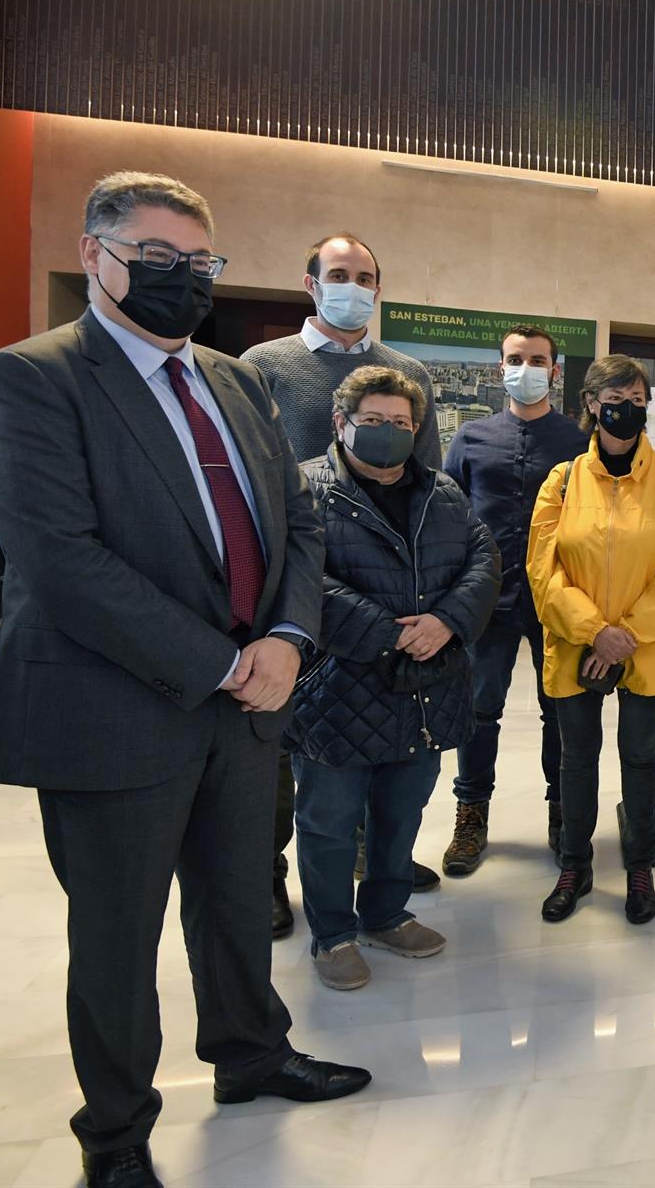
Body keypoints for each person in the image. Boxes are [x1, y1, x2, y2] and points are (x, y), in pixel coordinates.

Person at [0, 171, 370, 1188]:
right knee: (117, 933)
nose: (180, 279)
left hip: (248, 707)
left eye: (199, 263)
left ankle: (250, 1052)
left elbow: (299, 524)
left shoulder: (234, 381)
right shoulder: (29, 378)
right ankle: (115, 1134)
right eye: (156, 259)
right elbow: (60, 562)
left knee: (237, 898)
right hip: (113, 709)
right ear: (97, 254)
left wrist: (284, 636)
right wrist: (224, 663)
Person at [241, 232, 445, 927]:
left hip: (382, 596)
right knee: (278, 741)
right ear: (310, 283)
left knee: (374, 729)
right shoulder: (264, 366)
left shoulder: (406, 372)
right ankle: (264, 871)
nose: (351, 285)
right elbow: (246, 479)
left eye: (364, 276)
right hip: (290, 589)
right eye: (338, 273)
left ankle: (370, 856)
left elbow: (430, 491)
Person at [286, 367, 499, 989]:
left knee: (401, 812)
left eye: (402, 424)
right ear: (341, 422)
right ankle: (332, 935)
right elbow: (299, 577)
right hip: (338, 687)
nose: (389, 433)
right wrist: (391, 631)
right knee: (328, 820)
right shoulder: (305, 488)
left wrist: (446, 621)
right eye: (374, 421)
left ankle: (384, 911)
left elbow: (484, 562)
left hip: (425, 688)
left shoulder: (443, 491)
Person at [528, 355, 655, 926]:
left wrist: (626, 634)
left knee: (639, 756)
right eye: (615, 399)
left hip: (644, 646)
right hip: (578, 642)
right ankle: (575, 866)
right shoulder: (561, 480)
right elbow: (542, 569)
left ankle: (640, 866)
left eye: (636, 399)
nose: (626, 409)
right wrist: (593, 631)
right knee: (577, 758)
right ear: (591, 405)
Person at [440, 326, 591, 875]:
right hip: (487, 597)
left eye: (537, 360)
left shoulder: (578, 442)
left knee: (561, 708)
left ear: (555, 370)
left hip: (559, 596)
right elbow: (448, 517)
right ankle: (471, 813)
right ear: (498, 365)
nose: (525, 368)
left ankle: (561, 811)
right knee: (480, 710)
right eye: (515, 358)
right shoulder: (471, 438)